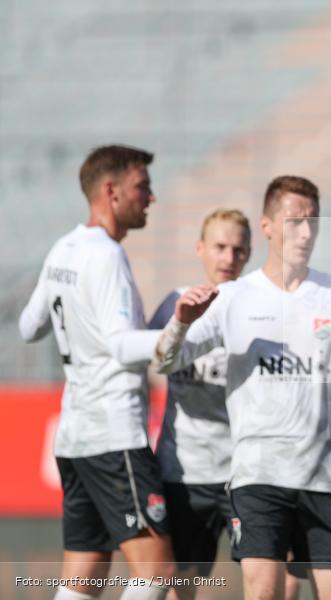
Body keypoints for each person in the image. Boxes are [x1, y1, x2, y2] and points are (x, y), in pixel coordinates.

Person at [153, 176, 331, 600]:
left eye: (312, 222)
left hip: (328, 477)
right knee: (264, 590)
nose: (304, 232)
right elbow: (165, 360)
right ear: (266, 226)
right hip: (258, 476)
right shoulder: (232, 298)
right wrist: (181, 322)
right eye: (293, 221)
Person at [18, 145, 175, 600]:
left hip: (73, 436)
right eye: (142, 186)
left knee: (84, 575)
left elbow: (29, 327)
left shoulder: (63, 248)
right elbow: (122, 345)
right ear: (111, 190)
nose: (151, 197)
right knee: (158, 572)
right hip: (112, 435)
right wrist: (180, 330)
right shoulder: (106, 255)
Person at [147, 209, 251, 600]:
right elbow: (145, 362)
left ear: (249, 254)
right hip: (184, 472)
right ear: (200, 249)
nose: (228, 258)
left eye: (238, 250)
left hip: (244, 473)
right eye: (220, 247)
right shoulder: (172, 305)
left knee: (277, 579)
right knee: (180, 584)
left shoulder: (259, 308)